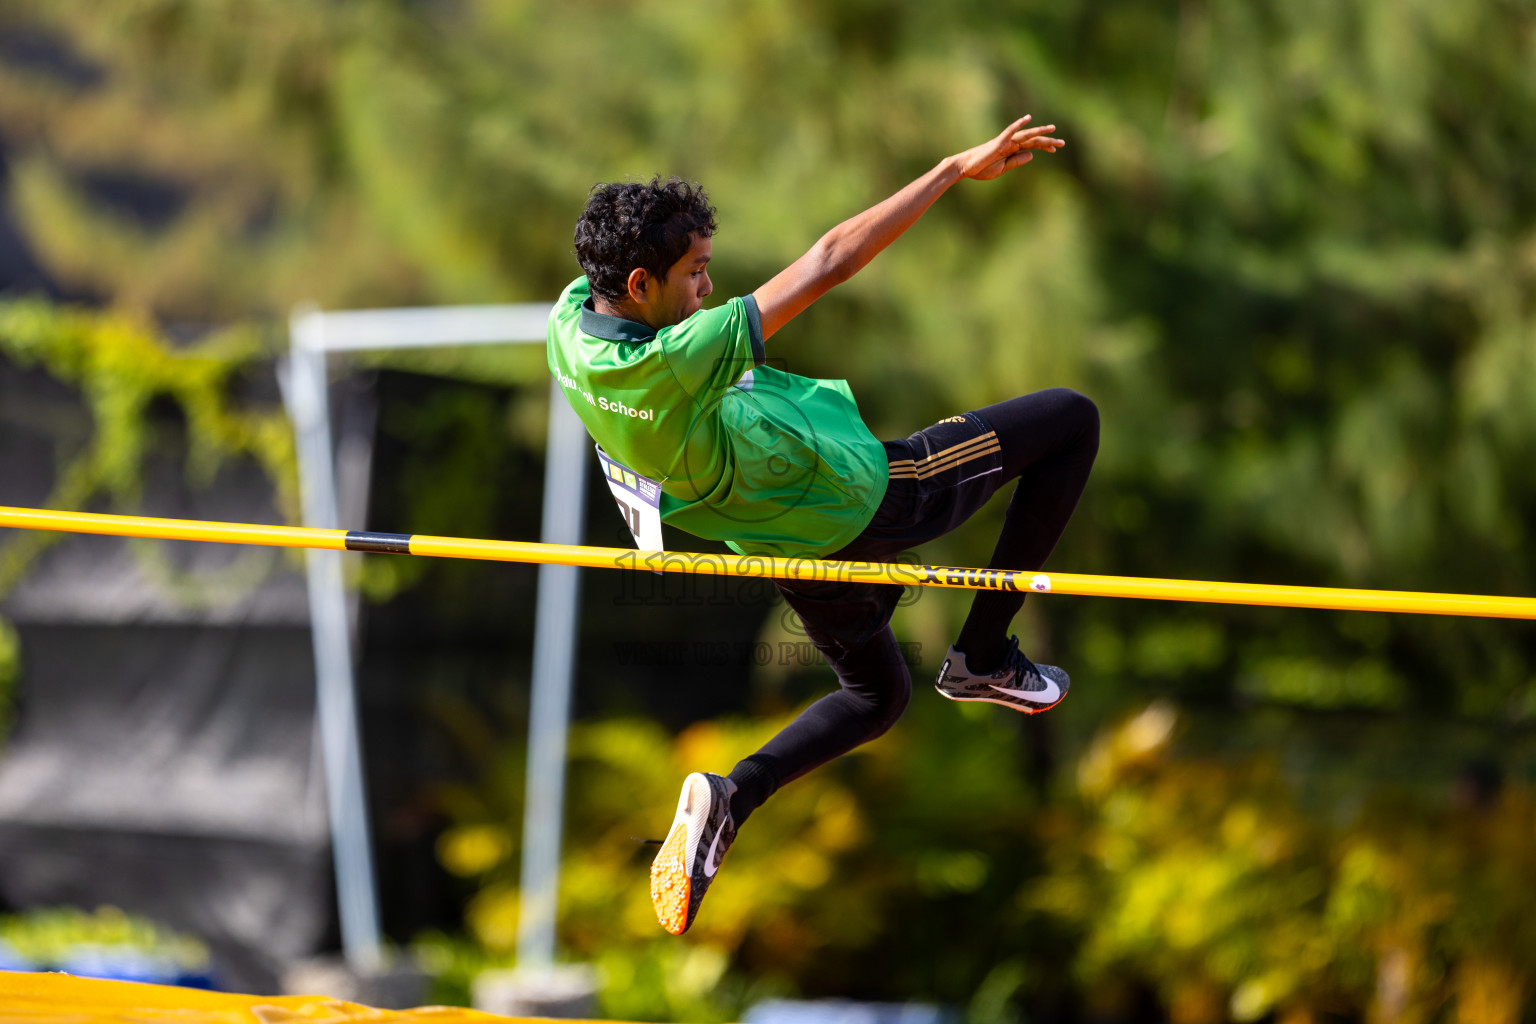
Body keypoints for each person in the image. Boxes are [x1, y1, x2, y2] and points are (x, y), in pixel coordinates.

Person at [545, 117, 1098, 936]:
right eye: (695, 274)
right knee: (1070, 421)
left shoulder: (568, 331)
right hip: (864, 495)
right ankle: (982, 656)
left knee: (877, 695)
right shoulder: (675, 356)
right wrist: (948, 168)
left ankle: (733, 796)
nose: (707, 288)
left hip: (779, 538)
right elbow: (832, 259)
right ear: (637, 284)